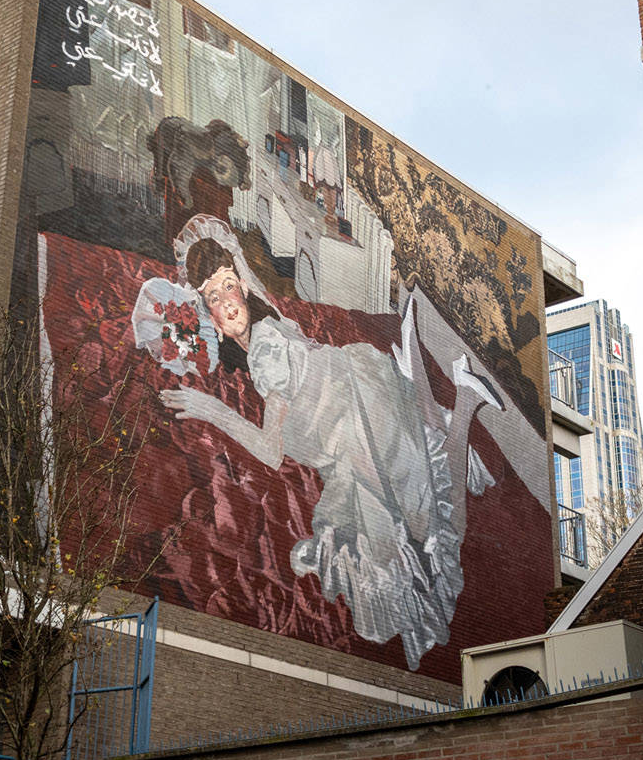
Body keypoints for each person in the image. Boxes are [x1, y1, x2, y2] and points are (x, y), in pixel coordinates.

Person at [157, 217, 502, 668]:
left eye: (228, 288)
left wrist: (211, 409)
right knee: (424, 458)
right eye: (215, 299)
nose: (228, 302)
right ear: (215, 322)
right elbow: (260, 291)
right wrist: (233, 254)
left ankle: (464, 397)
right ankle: (447, 384)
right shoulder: (272, 323)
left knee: (429, 523)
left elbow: (270, 451)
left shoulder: (263, 354)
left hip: (354, 429)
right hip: (358, 386)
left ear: (241, 288)